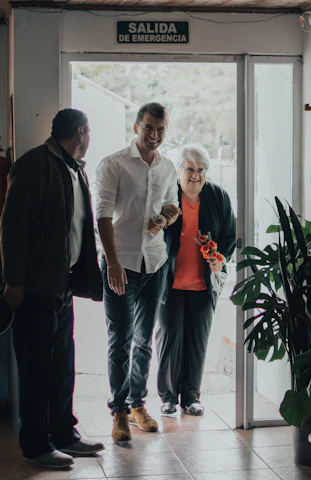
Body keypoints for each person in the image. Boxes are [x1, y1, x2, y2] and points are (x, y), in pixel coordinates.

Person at [0, 109, 105, 469]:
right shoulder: (34, 165)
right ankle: (35, 444)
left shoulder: (75, 168)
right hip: (34, 290)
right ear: (79, 132)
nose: (89, 137)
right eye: (88, 131)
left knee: (62, 364)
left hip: (61, 286)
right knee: (36, 368)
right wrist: (14, 280)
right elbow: (13, 226)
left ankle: (64, 433)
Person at [96, 102, 180, 442]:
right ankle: (117, 411)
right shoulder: (114, 164)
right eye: (148, 128)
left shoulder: (167, 167)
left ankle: (136, 405)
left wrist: (165, 219)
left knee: (145, 340)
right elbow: (101, 215)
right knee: (121, 340)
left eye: (160, 129)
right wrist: (113, 263)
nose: (155, 135)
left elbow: (172, 206)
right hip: (122, 265)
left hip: (154, 263)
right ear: (136, 128)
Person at [155, 144, 236, 416]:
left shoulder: (217, 196)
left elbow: (228, 235)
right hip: (170, 284)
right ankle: (167, 397)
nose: (195, 175)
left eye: (201, 170)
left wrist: (219, 258)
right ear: (179, 170)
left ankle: (191, 396)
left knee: (196, 341)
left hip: (202, 286)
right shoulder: (169, 196)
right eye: (189, 169)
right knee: (169, 337)